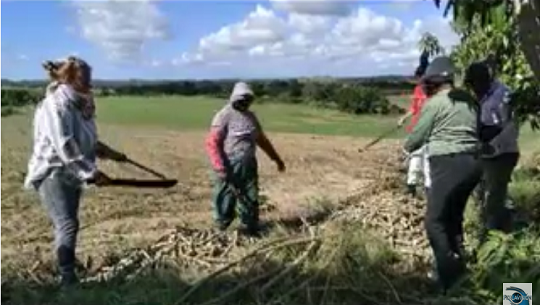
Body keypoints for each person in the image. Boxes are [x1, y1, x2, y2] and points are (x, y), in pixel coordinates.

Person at [23, 56, 128, 286]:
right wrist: (91, 173)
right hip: (53, 173)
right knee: (67, 223)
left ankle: (67, 265)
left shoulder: (79, 103)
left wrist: (111, 154)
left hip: (69, 171)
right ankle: (68, 279)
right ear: (70, 78)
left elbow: (86, 141)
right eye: (85, 77)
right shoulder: (57, 104)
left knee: (69, 223)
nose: (90, 82)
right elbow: (65, 146)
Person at [403, 56, 482, 293]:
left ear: (433, 82)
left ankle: (452, 281)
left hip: (448, 163)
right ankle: (460, 265)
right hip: (473, 164)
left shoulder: (434, 103)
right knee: (452, 218)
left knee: (433, 222)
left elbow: (416, 138)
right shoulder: (469, 100)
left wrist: (406, 147)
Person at [205, 82, 286, 236]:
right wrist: (219, 166)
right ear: (234, 99)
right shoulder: (223, 116)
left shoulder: (251, 117)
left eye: (248, 100)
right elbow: (212, 143)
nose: (245, 103)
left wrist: (276, 158)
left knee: (250, 196)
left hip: (248, 164)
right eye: (242, 100)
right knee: (225, 197)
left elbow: (261, 140)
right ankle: (221, 230)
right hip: (228, 163)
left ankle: (250, 228)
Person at [464, 61, 520, 239]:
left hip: (503, 152)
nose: (474, 89)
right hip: (485, 152)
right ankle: (499, 224)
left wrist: (487, 142)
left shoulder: (503, 95)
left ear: (485, 80)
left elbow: (506, 128)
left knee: (494, 196)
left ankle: (493, 238)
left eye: (475, 84)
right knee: (480, 192)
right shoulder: (479, 96)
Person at [398, 53, 431, 197]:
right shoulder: (418, 90)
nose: (420, 81)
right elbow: (414, 108)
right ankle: (411, 186)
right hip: (416, 129)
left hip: (429, 131)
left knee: (428, 162)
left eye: (421, 78)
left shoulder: (434, 92)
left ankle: (429, 189)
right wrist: (403, 118)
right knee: (415, 158)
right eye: (418, 78)